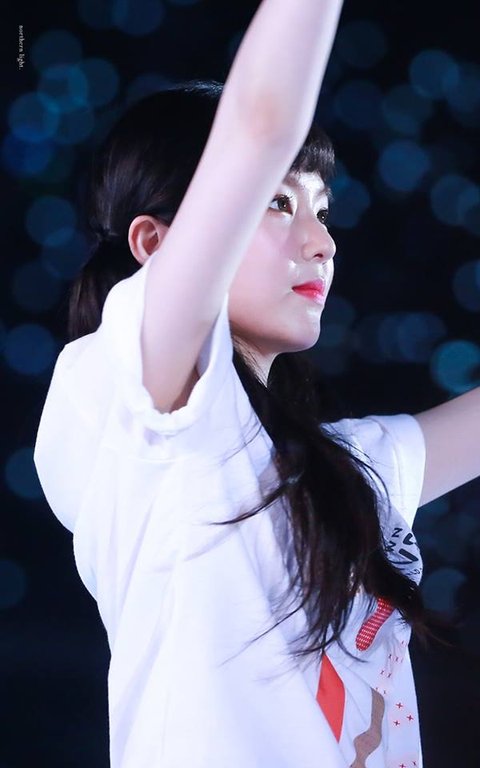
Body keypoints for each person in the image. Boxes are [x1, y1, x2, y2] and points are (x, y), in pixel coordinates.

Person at [33, 1, 480, 766]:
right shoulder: (144, 416)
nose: (322, 241)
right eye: (277, 202)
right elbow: (260, 122)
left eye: (323, 210)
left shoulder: (349, 471)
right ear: (155, 244)